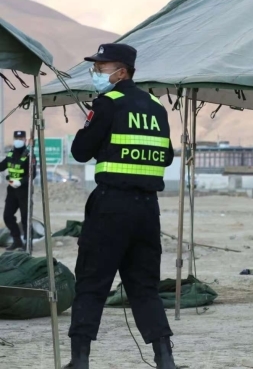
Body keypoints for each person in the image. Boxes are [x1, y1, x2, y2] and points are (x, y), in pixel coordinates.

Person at [65, 44, 176, 369]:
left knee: (92, 283)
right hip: (147, 210)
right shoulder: (156, 106)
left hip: (111, 206)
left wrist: (94, 128)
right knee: (144, 288)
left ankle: (80, 360)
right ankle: (165, 359)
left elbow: (80, 151)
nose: (96, 73)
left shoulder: (107, 103)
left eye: (101, 68)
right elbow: (166, 156)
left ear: (121, 72)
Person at [1, 130, 36, 251]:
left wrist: (20, 182)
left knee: (26, 218)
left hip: (24, 191)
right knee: (7, 216)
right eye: (16, 138)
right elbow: (2, 166)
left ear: (25, 140)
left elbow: (33, 174)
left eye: (21, 139)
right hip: (12, 191)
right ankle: (17, 241)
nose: (18, 141)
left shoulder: (29, 155)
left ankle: (28, 243)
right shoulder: (10, 154)